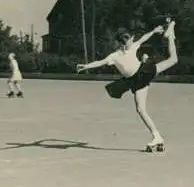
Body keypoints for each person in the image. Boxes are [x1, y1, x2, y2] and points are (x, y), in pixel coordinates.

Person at [76, 19, 178, 152]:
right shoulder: (114, 56)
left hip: (144, 72)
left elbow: (143, 39)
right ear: (123, 42)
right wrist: (86, 66)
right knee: (141, 110)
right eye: (130, 40)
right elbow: (100, 62)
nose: (132, 41)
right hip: (135, 81)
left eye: (131, 39)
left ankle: (170, 33)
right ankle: (157, 136)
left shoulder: (134, 45)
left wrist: (153, 31)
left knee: (173, 60)